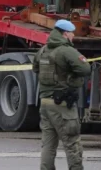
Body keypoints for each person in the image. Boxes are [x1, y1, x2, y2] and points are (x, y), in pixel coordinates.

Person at [32, 19, 91, 170]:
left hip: (45, 103)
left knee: (48, 145)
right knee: (72, 144)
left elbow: (35, 68)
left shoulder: (43, 50)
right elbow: (85, 69)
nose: (73, 36)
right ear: (65, 34)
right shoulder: (66, 50)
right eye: (72, 33)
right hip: (62, 105)